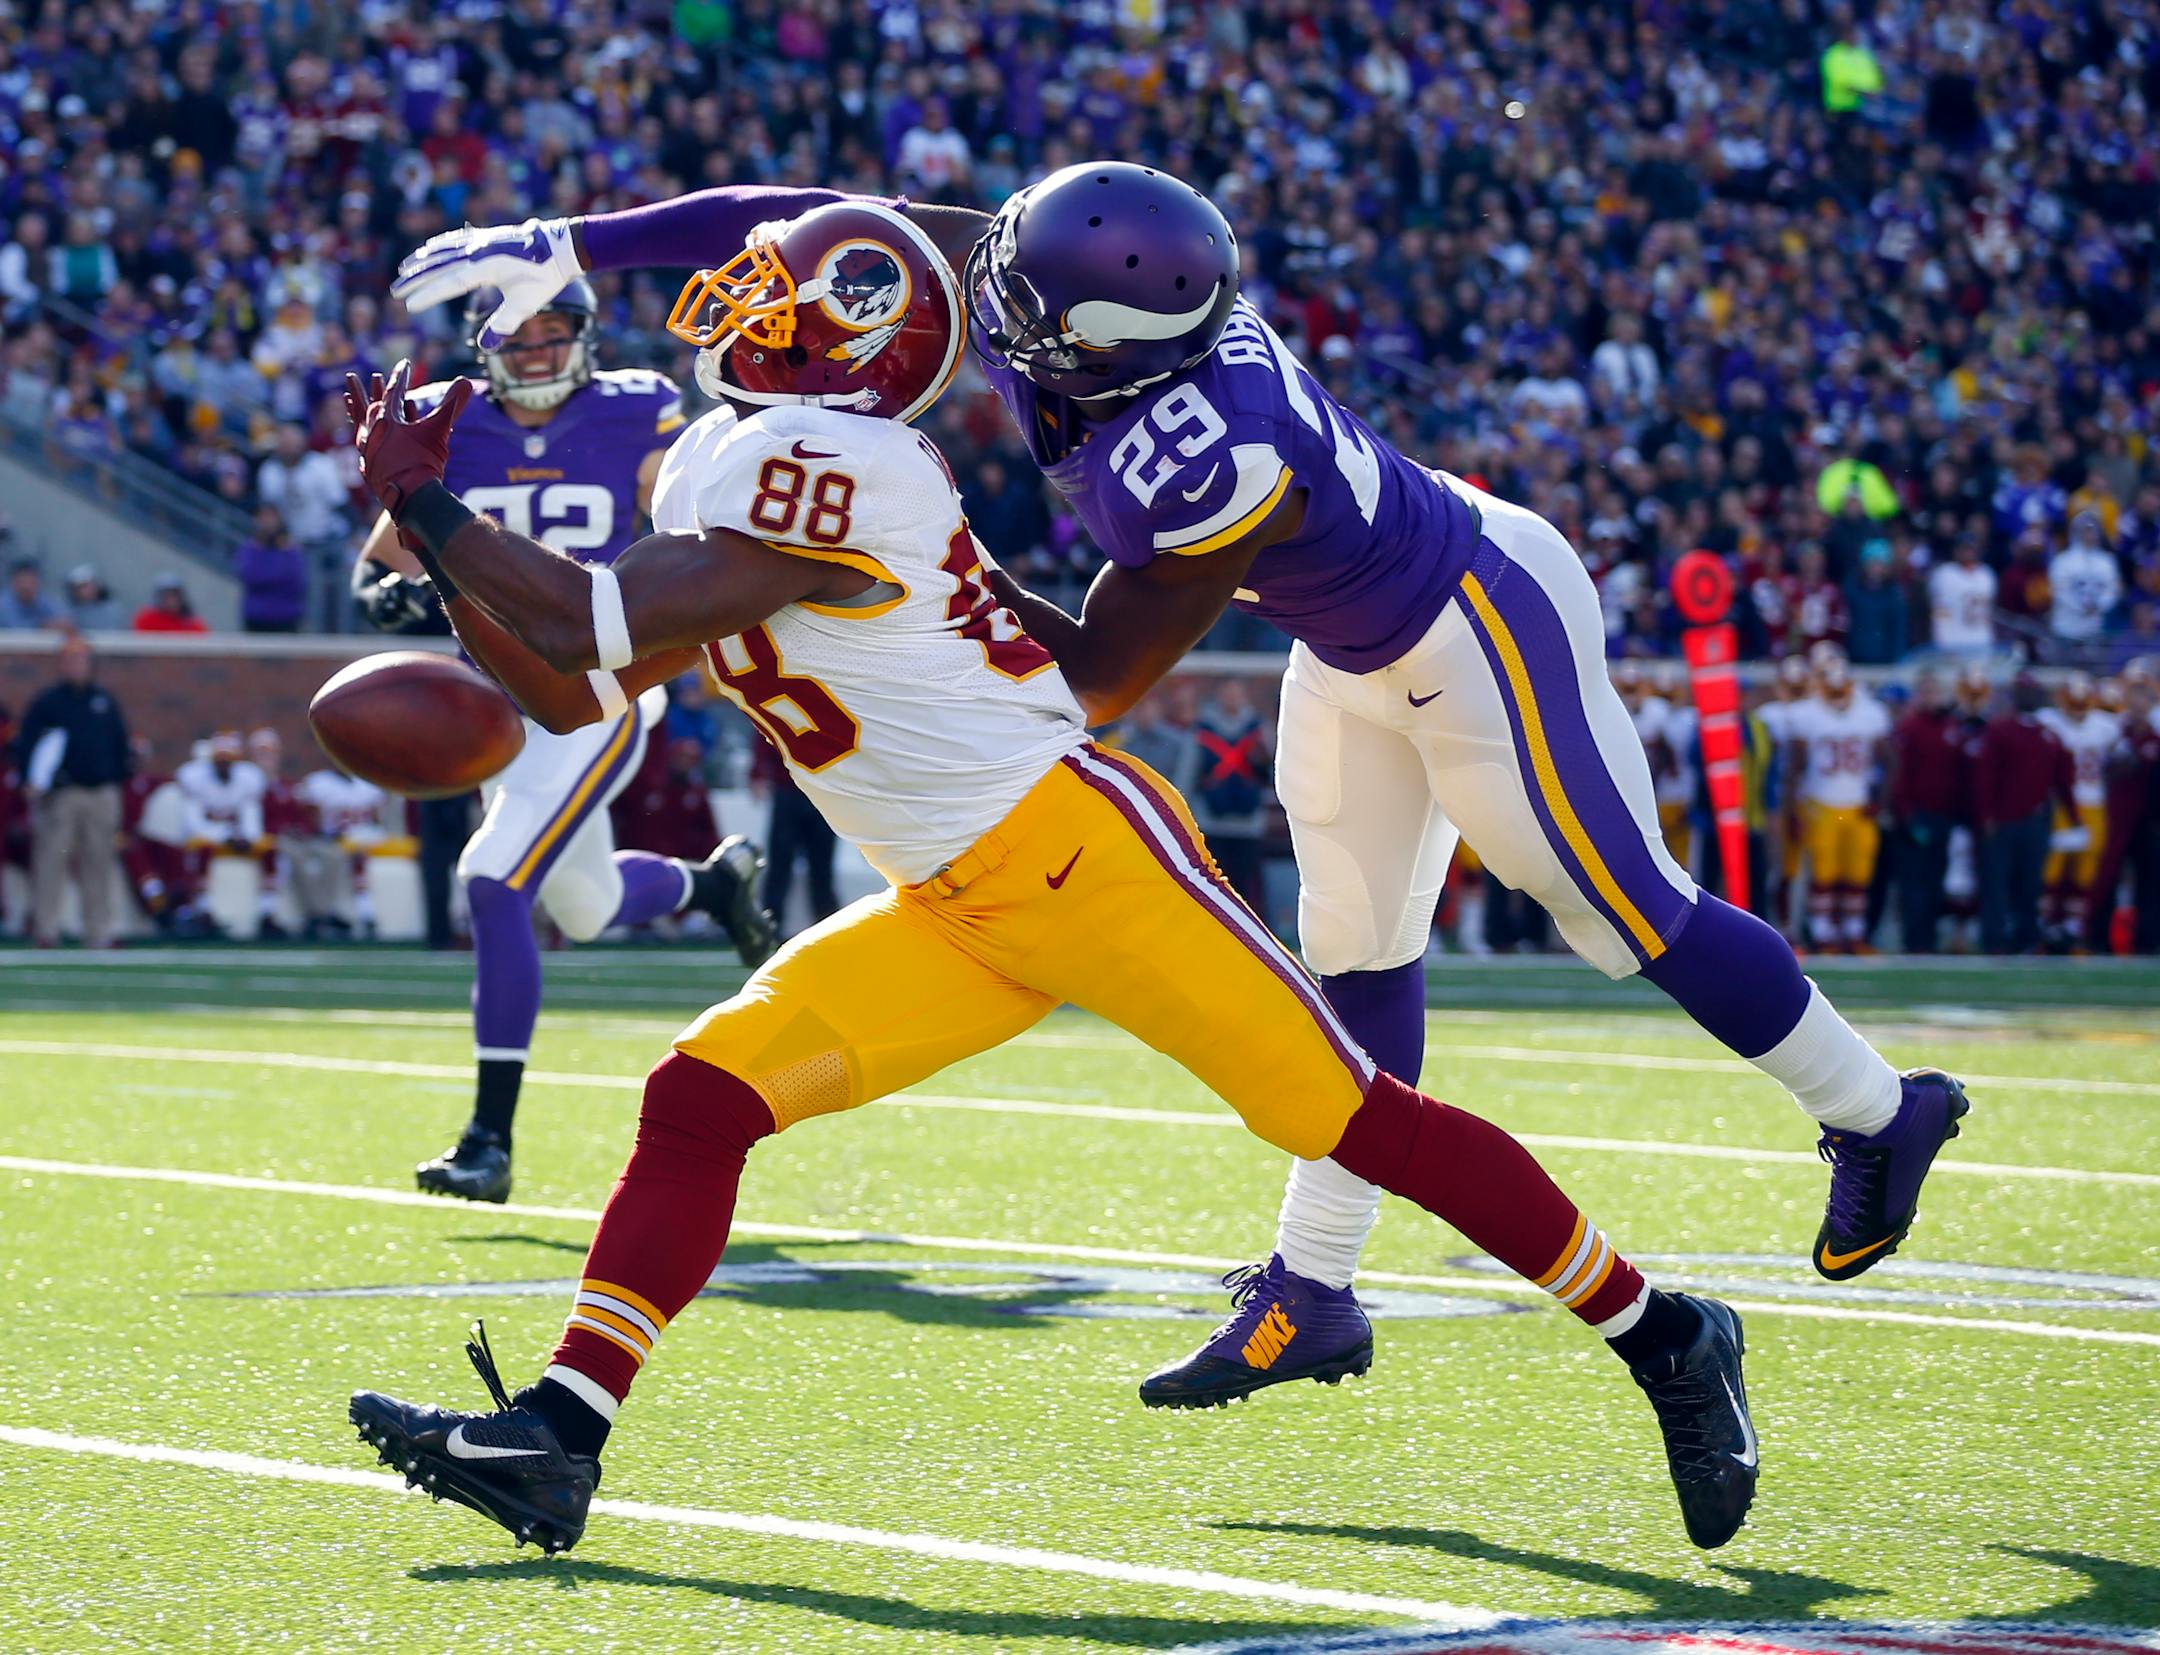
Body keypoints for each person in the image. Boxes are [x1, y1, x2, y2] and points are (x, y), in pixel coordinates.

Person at [393, 169, 1967, 1416]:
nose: (987, 311)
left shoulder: (1210, 449)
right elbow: (813, 231)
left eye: (1016, 309)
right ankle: (1317, 1289)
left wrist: (931, 598)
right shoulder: (1046, 267)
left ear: (1103, 341)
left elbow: (1087, 684)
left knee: (1611, 911)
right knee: (1354, 962)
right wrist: (570, 237)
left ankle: (1880, 1108)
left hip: (1468, 613)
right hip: (1318, 651)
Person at [350, 276, 776, 1205]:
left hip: (598, 691)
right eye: (518, 335)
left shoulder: (637, 412)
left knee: (493, 877)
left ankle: (487, 1140)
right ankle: (713, 883)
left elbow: (685, 523)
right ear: (483, 346)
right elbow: (381, 556)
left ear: (582, 337)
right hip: (506, 697)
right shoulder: (450, 419)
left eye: (554, 333)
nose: (537, 351)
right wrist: (388, 587)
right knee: (586, 903)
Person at [15, 635, 131, 947]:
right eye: (70, 659)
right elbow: (28, 745)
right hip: (62, 794)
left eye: (81, 659)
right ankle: (46, 929)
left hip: (100, 793)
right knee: (52, 859)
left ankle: (98, 931)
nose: (76, 665)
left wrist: (117, 777)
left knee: (99, 862)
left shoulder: (104, 700)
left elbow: (120, 745)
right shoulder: (48, 702)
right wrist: (31, 779)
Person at [1788, 659, 1891, 952]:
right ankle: (1824, 936)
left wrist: (1880, 800)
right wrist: (1793, 810)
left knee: (1858, 873)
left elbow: (1890, 760)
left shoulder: (1870, 714)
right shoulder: (1806, 714)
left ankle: (1854, 933)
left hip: (1858, 804)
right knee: (1824, 874)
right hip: (1819, 803)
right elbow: (1795, 768)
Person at [1974, 676, 2074, 954]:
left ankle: (2027, 939)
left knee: (2030, 885)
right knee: (1997, 884)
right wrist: (1987, 816)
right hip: (2003, 822)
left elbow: (2063, 780)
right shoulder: (1999, 730)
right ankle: (1994, 940)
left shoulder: (2049, 733)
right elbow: (1985, 778)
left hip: (2035, 820)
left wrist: (2073, 818)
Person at [2036, 673, 2120, 950]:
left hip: (2095, 802)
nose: (2077, 707)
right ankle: (2045, 926)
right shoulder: (2048, 721)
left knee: (2087, 868)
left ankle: (2074, 929)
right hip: (2061, 803)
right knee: (2053, 866)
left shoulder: (2106, 726)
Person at [1887, 671, 1964, 953]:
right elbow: (1899, 775)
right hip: (1916, 815)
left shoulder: (1952, 725)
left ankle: (1929, 938)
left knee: (1935, 881)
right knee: (1913, 883)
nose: (1933, 698)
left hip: (1944, 815)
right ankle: (1914, 940)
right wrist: (1906, 815)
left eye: (1937, 692)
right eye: (1928, 692)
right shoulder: (1909, 728)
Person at [1187, 676, 1272, 916]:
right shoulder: (1202, 730)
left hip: (1249, 823)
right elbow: (1188, 773)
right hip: (1211, 822)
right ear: (1219, 695)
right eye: (1228, 692)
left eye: (1237, 692)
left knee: (1248, 889)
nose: (1233, 697)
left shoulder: (1258, 729)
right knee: (1214, 888)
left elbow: (1271, 771)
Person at [751, 732, 838, 936]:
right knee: (781, 866)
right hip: (793, 789)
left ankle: (828, 928)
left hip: (819, 790)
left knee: (821, 868)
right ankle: (770, 927)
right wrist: (758, 771)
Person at [232, 505, 309, 633]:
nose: (267, 522)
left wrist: (267, 576)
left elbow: (296, 581)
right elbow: (250, 577)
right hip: (256, 617)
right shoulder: (249, 549)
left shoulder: (290, 550)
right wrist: (278, 575)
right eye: (262, 517)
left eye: (271, 517)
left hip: (287, 617)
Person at [132, 574, 209, 633]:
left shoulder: (190, 622)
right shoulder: (147, 618)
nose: (172, 600)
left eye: (175, 595)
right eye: (167, 595)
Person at [0, 557, 62, 631]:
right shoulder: (3, 604)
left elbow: (67, 624)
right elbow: (17, 630)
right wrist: (39, 626)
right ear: (14, 582)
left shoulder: (44, 601)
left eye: (31, 582)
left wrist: (53, 624)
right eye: (22, 581)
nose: (26, 586)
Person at [62, 564, 122, 631]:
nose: (82, 591)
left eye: (85, 586)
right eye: (78, 588)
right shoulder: (67, 611)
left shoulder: (112, 610)